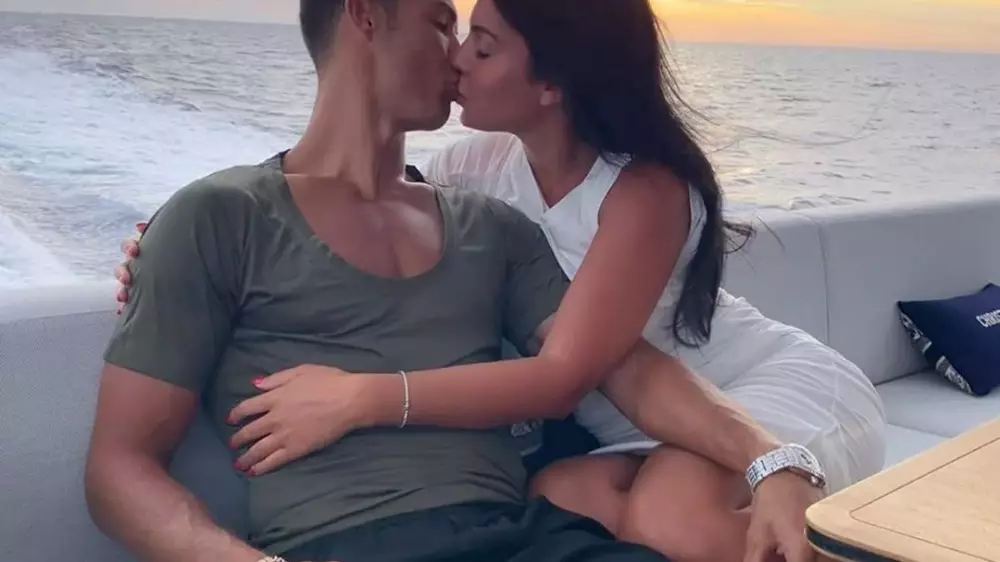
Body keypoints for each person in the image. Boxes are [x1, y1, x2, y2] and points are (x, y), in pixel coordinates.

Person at [108, 1, 887, 562]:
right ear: (366, 14)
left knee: (672, 525)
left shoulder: (505, 222)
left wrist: (772, 458)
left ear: (552, 84)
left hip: (545, 514)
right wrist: (176, 238)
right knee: (599, 499)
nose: (455, 56)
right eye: (442, 24)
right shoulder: (222, 216)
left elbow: (608, 367)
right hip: (359, 538)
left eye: (475, 41)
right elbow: (117, 468)